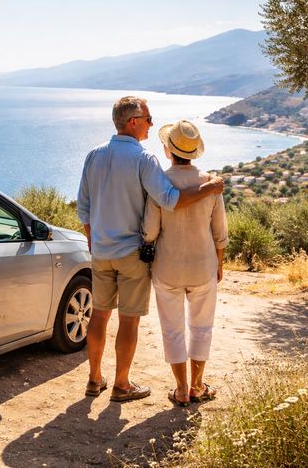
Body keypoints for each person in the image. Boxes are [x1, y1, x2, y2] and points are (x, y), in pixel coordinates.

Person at [77, 97, 224, 402]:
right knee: (129, 320)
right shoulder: (145, 160)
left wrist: (94, 242)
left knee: (100, 315)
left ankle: (94, 380)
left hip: (101, 251)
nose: (151, 124)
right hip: (131, 253)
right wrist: (210, 188)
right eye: (148, 118)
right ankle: (121, 384)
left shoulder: (93, 155)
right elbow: (170, 199)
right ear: (133, 121)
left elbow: (84, 208)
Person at [141, 119, 228, 407]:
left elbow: (150, 231)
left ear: (168, 150)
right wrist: (219, 263)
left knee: (173, 328)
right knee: (202, 327)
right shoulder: (210, 183)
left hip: (168, 267)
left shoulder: (160, 183)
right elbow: (220, 232)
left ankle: (180, 389)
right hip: (203, 264)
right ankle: (198, 386)